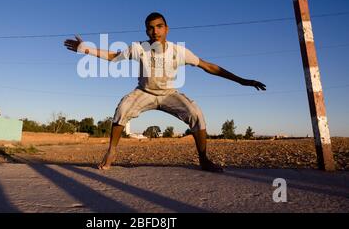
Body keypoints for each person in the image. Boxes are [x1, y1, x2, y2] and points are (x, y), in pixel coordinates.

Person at [64, 12, 266, 172]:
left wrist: (242, 81)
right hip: (144, 93)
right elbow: (113, 56)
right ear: (146, 32)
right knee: (122, 109)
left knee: (196, 114)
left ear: (167, 29)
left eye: (159, 26)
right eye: (151, 28)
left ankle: (204, 160)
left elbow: (209, 67)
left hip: (169, 93)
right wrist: (85, 49)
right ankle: (111, 152)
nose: (155, 31)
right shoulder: (139, 48)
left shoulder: (179, 51)